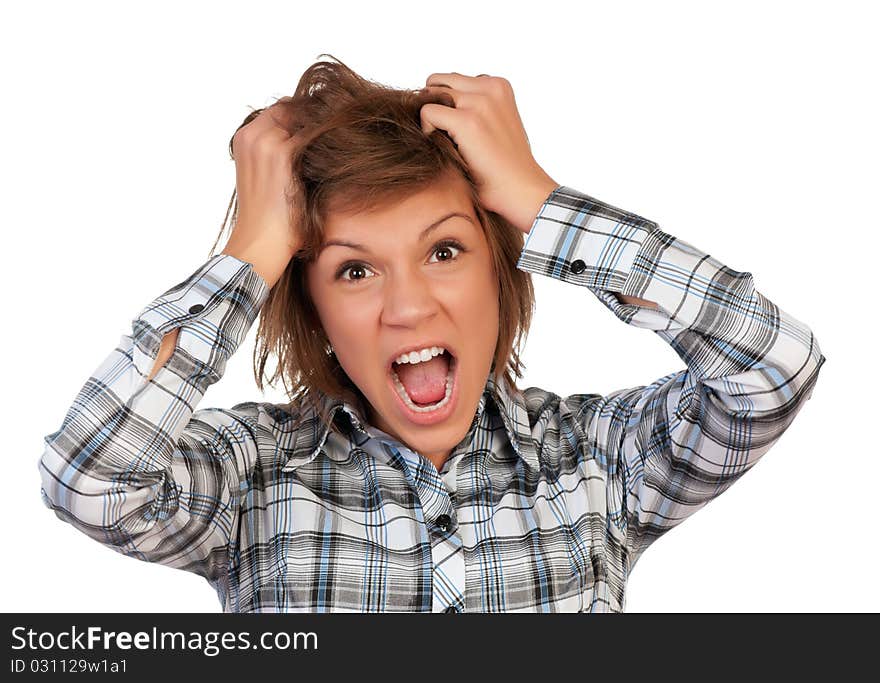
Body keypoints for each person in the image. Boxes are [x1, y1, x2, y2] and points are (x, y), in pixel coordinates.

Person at [38, 56, 826, 613]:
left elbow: (773, 369)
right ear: (312, 305)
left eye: (444, 250)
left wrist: (540, 200)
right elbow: (92, 481)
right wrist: (252, 254)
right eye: (355, 271)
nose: (407, 308)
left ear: (499, 270)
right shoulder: (250, 478)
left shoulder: (596, 462)